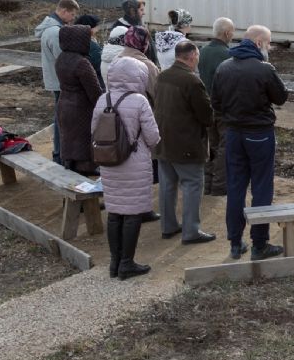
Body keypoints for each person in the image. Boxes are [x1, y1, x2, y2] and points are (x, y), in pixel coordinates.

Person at [211, 25, 289, 261]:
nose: (270, 47)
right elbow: (281, 97)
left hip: (234, 133)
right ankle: (259, 243)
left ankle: (235, 242)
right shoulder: (264, 69)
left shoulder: (223, 67)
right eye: (268, 43)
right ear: (258, 43)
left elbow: (215, 102)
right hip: (260, 133)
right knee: (262, 187)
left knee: (236, 187)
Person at [92, 55, 161, 279]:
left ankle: (114, 264)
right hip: (135, 163)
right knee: (132, 214)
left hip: (109, 162)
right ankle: (127, 263)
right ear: (138, 76)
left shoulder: (103, 99)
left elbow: (93, 132)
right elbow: (153, 137)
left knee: (114, 213)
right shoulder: (140, 100)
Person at [153, 40, 216, 245]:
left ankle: (168, 226)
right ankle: (191, 231)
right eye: (197, 55)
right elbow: (206, 116)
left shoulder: (162, 75)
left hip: (163, 141)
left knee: (167, 184)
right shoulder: (192, 81)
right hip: (186, 143)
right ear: (191, 56)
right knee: (192, 185)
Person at [35, 0, 79, 164]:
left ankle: (60, 154)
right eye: (72, 15)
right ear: (63, 11)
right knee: (62, 119)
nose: (73, 19)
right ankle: (60, 155)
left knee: (60, 117)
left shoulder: (54, 29)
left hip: (57, 80)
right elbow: (63, 59)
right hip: (61, 81)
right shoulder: (55, 32)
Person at [53, 23, 102, 175]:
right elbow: (94, 91)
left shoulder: (61, 58)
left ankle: (70, 166)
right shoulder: (82, 63)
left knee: (69, 138)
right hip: (81, 107)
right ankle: (85, 171)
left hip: (64, 103)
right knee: (83, 139)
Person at [199, 17, 237, 197]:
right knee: (225, 146)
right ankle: (220, 186)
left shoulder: (201, 51)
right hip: (222, 109)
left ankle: (207, 184)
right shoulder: (228, 55)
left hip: (204, 106)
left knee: (209, 145)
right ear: (227, 33)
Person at [76, 14, 104, 87]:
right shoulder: (91, 45)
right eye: (96, 27)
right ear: (90, 28)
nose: (97, 30)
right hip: (93, 83)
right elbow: (99, 66)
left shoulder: (73, 41)